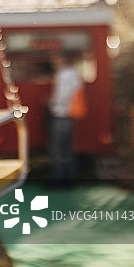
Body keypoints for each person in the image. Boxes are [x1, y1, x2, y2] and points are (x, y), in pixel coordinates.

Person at [47, 52, 84, 187]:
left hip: (60, 115)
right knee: (68, 149)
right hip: (70, 116)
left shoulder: (63, 75)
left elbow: (62, 96)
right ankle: (70, 179)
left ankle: (58, 181)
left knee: (57, 149)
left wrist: (51, 104)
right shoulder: (75, 74)